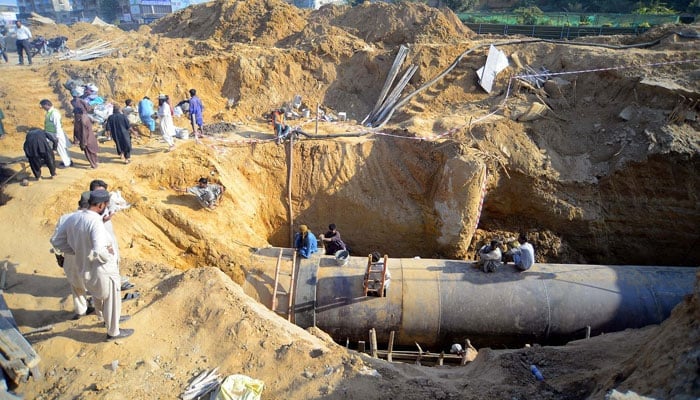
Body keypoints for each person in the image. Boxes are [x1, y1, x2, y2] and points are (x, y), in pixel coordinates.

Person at [50, 189, 133, 341]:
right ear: (101, 205)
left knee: (97, 295)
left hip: (84, 266)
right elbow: (99, 250)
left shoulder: (73, 218)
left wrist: (77, 251)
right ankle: (114, 332)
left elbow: (56, 241)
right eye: (106, 205)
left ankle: (105, 320)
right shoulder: (94, 222)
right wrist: (108, 255)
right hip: (102, 268)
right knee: (112, 298)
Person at [50, 192, 95, 319]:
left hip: (70, 259)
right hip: (88, 259)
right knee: (96, 287)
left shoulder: (65, 218)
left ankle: (81, 311)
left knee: (76, 287)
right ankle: (102, 314)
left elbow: (55, 240)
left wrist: (65, 253)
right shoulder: (93, 219)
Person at [40, 99, 72, 168]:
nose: (42, 108)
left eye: (43, 106)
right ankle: (68, 160)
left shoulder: (54, 113)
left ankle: (67, 163)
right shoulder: (49, 112)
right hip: (50, 134)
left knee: (61, 148)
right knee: (52, 148)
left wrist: (57, 136)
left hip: (56, 134)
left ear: (47, 105)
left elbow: (57, 125)